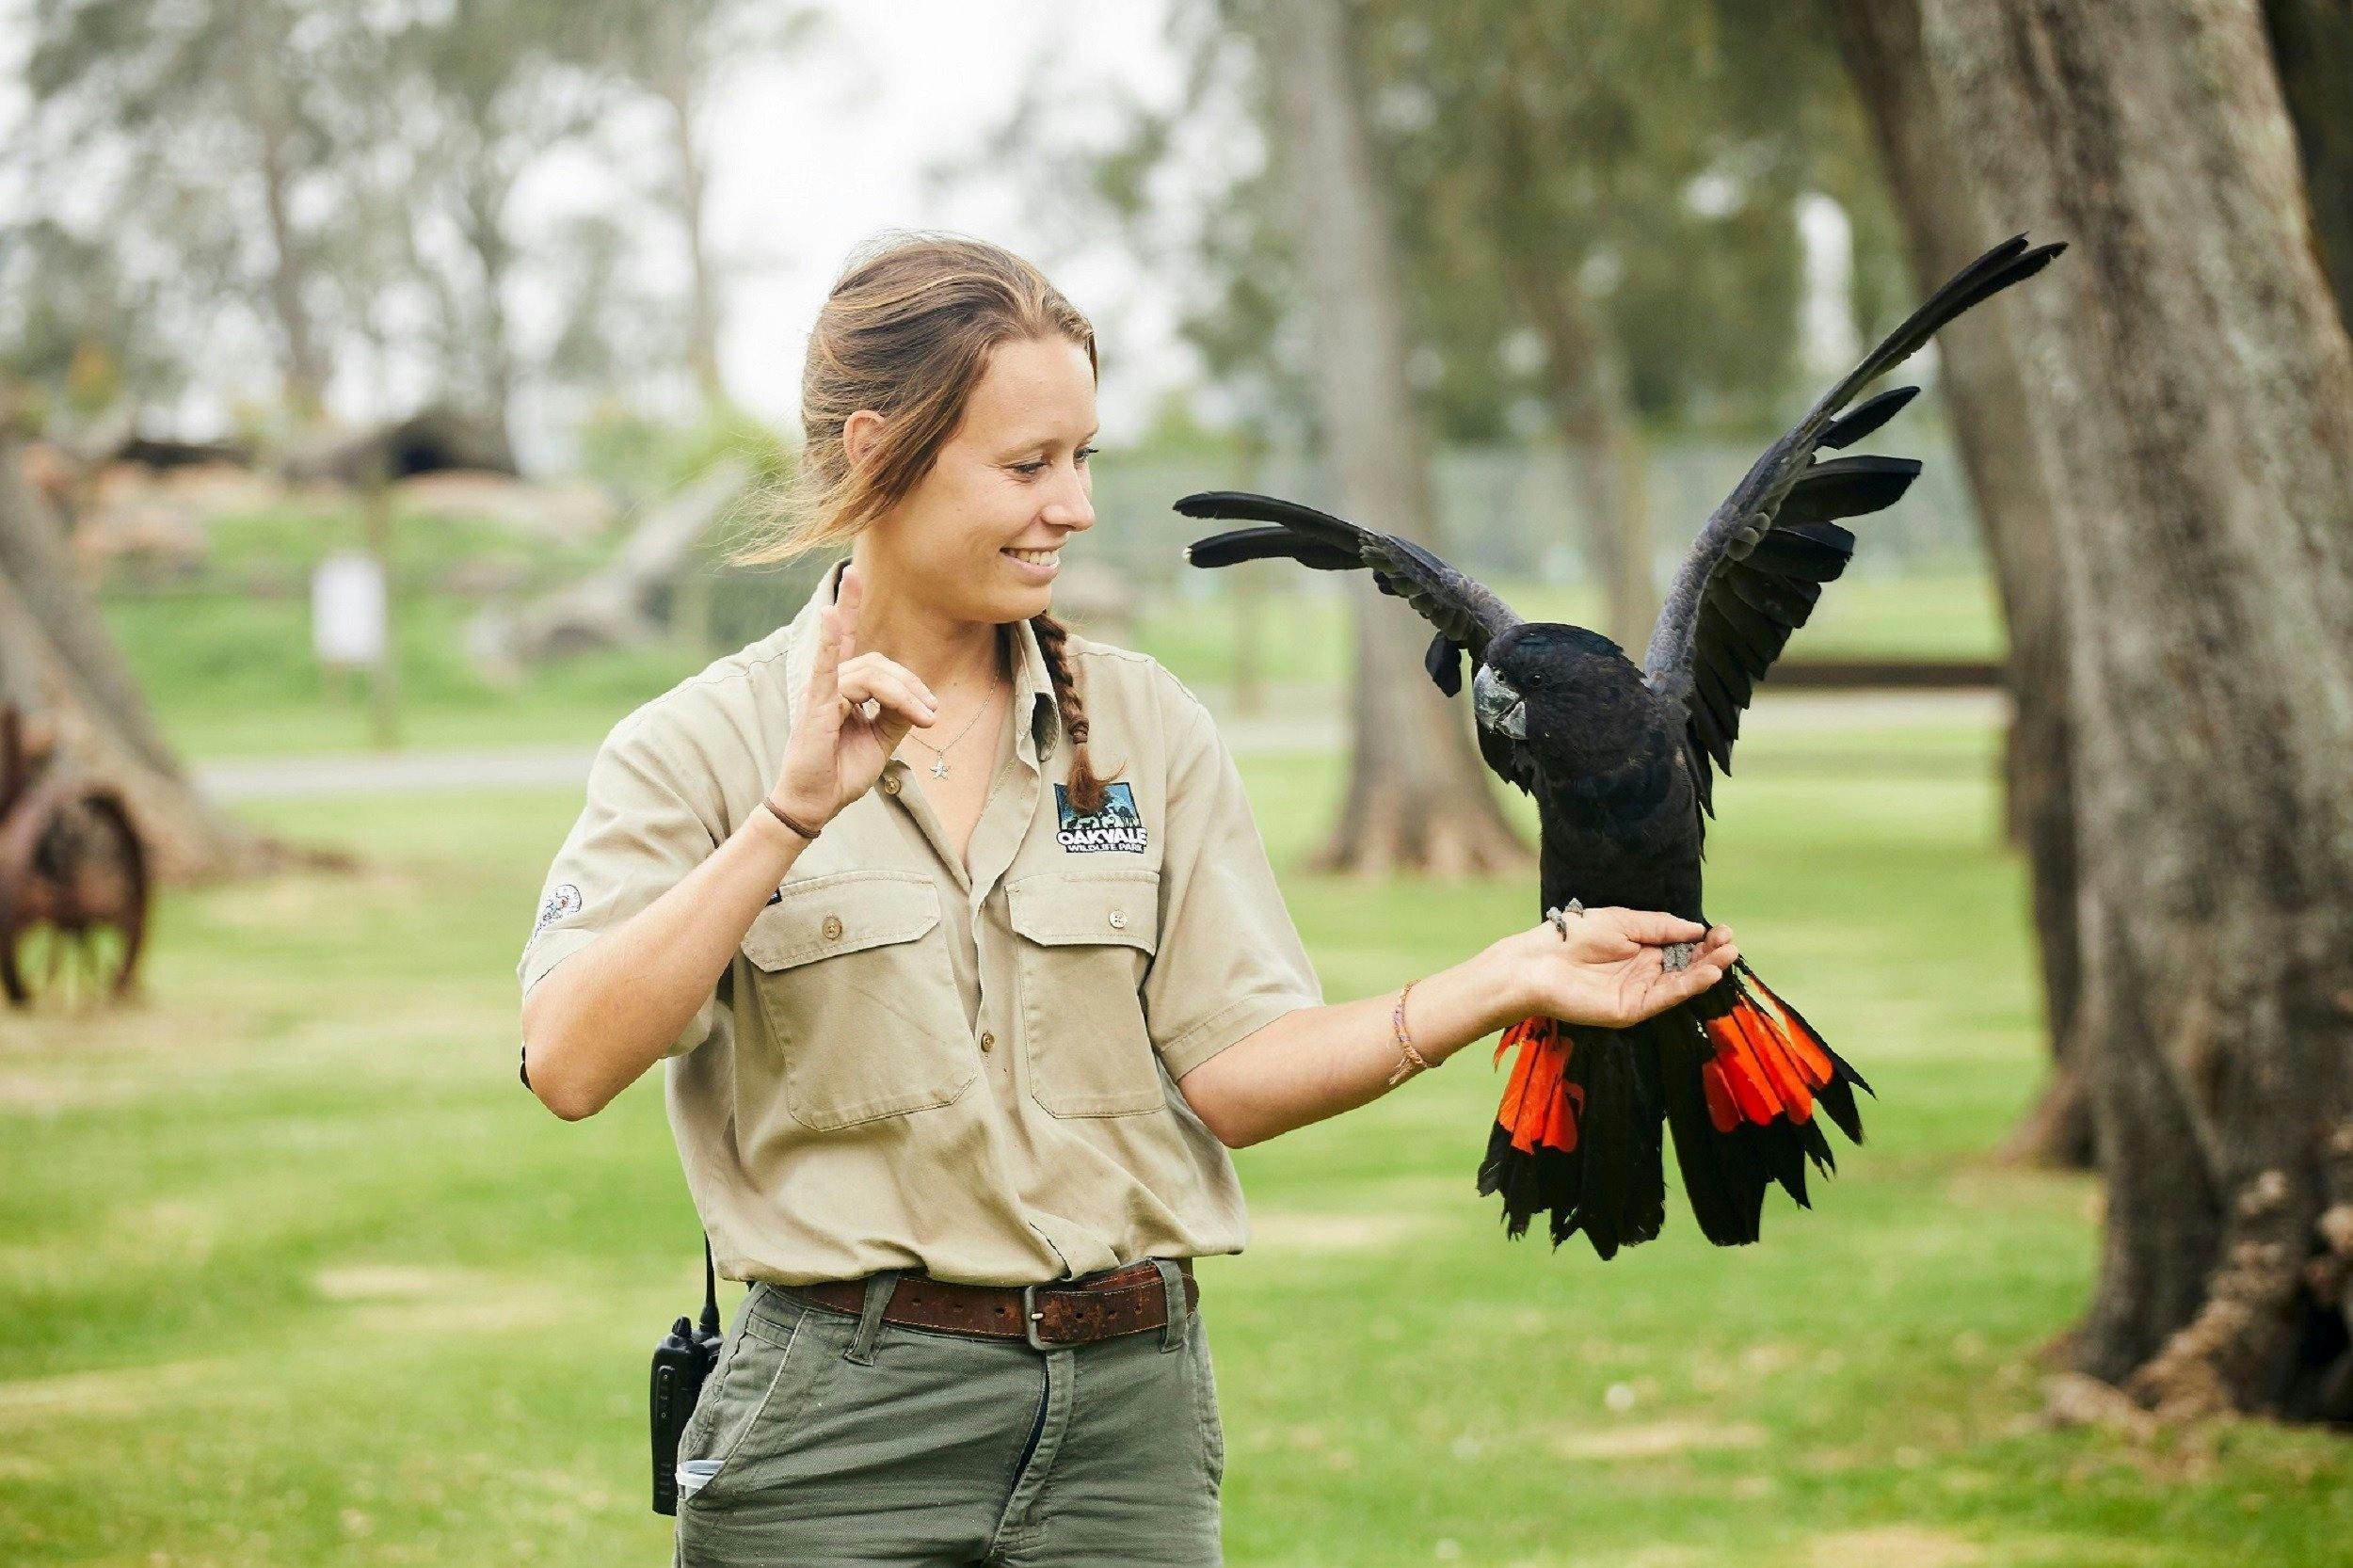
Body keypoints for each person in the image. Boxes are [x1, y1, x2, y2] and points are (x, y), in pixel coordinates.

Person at [516, 232, 1737, 1568]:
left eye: (1084, 457)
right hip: (836, 1437)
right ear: (878, 453)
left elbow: (1234, 1072)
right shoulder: (695, 744)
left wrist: (1507, 974)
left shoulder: (1149, 725)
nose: (1077, 505)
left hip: (1129, 1429)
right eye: (1029, 464)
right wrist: (787, 815)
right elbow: (568, 1062)